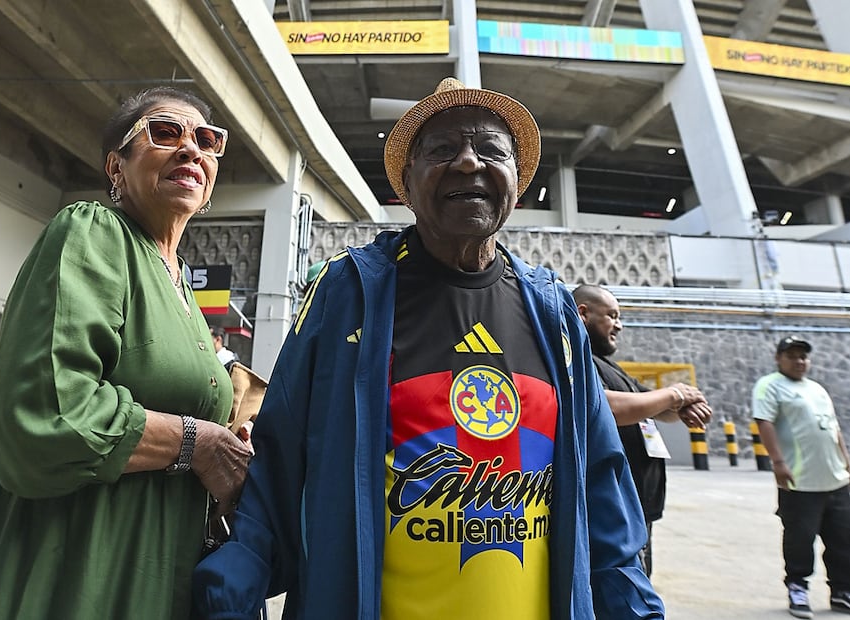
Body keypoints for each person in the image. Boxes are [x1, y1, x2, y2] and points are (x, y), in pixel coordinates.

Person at [194, 77, 663, 619]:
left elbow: (600, 482)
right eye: (442, 150)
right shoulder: (348, 293)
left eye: (492, 151)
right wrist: (228, 596)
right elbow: (279, 462)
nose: (469, 163)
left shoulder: (554, 309)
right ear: (408, 186)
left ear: (517, 181)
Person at [0, 87, 254, 620]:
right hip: (67, 568)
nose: (192, 149)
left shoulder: (183, 289)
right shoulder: (93, 230)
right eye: (165, 133)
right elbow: (53, 411)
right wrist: (197, 443)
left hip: (149, 565)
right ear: (116, 167)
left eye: (207, 140)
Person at [572, 283, 712, 577]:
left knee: (638, 581)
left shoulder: (611, 367)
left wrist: (681, 406)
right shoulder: (574, 361)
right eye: (612, 315)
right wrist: (675, 396)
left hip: (636, 507)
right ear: (583, 314)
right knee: (620, 590)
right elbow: (609, 408)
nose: (619, 326)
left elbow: (653, 407)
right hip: (610, 510)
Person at [753, 336, 850, 619]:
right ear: (779, 358)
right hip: (799, 482)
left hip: (835, 479)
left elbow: (833, 428)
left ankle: (842, 590)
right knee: (799, 539)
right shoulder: (770, 386)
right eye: (793, 356)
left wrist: (845, 461)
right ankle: (798, 588)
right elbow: (764, 421)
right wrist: (778, 462)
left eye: (803, 356)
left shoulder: (817, 389)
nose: (799, 361)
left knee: (843, 539)